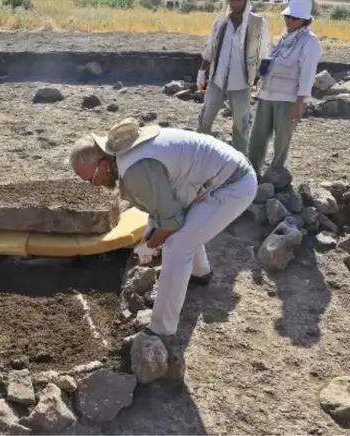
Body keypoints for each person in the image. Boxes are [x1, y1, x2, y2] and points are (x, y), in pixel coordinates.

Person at [69, 119, 257, 342]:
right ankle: (200, 273)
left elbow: (170, 222)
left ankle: (161, 329)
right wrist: (151, 234)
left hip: (232, 185)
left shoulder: (135, 170)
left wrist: (147, 247)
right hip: (215, 176)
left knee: (177, 246)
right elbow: (161, 206)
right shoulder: (125, 157)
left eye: (91, 180)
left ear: (103, 165)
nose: (94, 185)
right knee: (187, 231)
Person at [247, 0, 321, 177]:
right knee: (258, 135)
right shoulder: (282, 38)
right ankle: (251, 170)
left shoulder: (309, 42)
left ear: (305, 20)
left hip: (288, 98)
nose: (289, 20)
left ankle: (275, 174)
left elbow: (307, 75)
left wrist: (299, 103)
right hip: (267, 94)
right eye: (287, 16)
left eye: (294, 17)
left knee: (282, 139)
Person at [196, 0, 268, 155]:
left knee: (240, 126)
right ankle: (197, 157)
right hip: (217, 80)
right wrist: (202, 71)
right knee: (204, 120)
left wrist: (262, 78)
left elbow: (262, 55)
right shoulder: (220, 21)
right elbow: (210, 49)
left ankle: (239, 162)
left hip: (241, 83)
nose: (234, 2)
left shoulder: (258, 23)